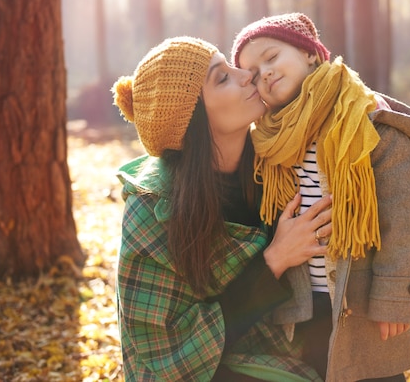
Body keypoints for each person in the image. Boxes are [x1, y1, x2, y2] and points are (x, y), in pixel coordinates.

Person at [231, 13, 410, 382]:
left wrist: (394, 296)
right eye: (251, 73)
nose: (262, 73)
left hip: (360, 301)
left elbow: (401, 219)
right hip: (299, 304)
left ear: (310, 54)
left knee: (371, 372)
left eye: (271, 57)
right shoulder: (267, 140)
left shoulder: (366, 121)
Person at [111, 36, 334, 381]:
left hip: (282, 350)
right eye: (223, 78)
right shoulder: (153, 209)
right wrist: (274, 260)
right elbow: (166, 356)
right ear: (193, 120)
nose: (246, 75)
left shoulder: (276, 166)